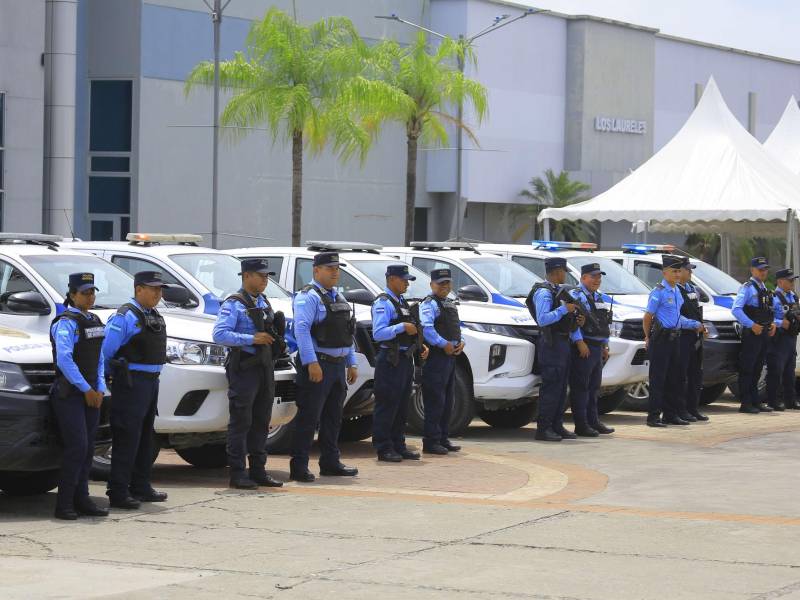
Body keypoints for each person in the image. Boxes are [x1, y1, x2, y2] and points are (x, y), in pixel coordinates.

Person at [213, 258, 284, 489]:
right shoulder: (234, 303)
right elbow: (220, 334)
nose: (265, 279)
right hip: (244, 368)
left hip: (265, 367)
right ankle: (237, 473)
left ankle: (258, 470)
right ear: (246, 276)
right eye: (260, 275)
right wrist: (251, 338)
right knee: (241, 422)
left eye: (267, 276)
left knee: (262, 421)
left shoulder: (264, 302)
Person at [101, 271, 170, 509]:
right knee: (127, 438)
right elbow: (107, 351)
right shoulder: (125, 316)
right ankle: (118, 491)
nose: (158, 294)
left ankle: (141, 486)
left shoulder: (152, 314)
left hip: (150, 383)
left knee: (145, 438)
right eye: (153, 289)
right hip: (131, 383)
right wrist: (113, 376)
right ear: (138, 289)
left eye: (160, 289)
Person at [289, 252, 359, 482]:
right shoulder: (308, 297)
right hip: (319, 364)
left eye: (337, 268)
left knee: (333, 418)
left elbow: (346, 332)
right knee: (309, 418)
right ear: (316, 270)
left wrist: (351, 362)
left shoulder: (337, 296)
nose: (335, 272)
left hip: (337, 366)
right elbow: (301, 330)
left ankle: (330, 461)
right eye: (330, 268)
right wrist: (311, 362)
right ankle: (299, 466)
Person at [49, 273, 108, 520]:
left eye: (92, 292)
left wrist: (100, 387)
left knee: (88, 449)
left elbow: (99, 357)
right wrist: (86, 389)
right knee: (77, 447)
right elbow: (65, 360)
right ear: (72, 295)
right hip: (71, 393)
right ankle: (64, 504)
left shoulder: (94, 320)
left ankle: (82, 499)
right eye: (85, 293)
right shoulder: (66, 322)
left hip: (92, 393)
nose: (90, 297)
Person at [371, 264, 428, 462]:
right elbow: (378, 333)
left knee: (402, 406)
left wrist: (420, 346)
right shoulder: (383, 303)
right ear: (391, 279)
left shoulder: (401, 302)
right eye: (403, 280)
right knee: (387, 405)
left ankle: (398, 445)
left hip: (404, 359)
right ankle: (384, 447)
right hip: (390, 360)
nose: (406, 284)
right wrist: (402, 327)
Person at [643, 255, 704, 427]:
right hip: (661, 339)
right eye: (673, 271)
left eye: (678, 271)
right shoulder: (658, 292)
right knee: (658, 380)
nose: (677, 274)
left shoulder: (677, 290)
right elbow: (647, 317)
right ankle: (653, 417)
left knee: (673, 378)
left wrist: (694, 324)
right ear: (664, 272)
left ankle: (670, 415)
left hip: (675, 338)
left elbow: (677, 318)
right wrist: (648, 337)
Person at [526, 256, 581, 442]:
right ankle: (544, 428)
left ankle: (556, 425)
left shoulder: (556, 290)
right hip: (551, 344)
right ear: (557, 272)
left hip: (562, 343)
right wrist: (564, 310)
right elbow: (543, 319)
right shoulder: (544, 292)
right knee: (551, 387)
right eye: (564, 272)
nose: (565, 275)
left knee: (561, 387)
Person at [419, 268, 465, 455]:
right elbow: (427, 328)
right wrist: (443, 344)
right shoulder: (429, 304)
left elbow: (457, 327)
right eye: (440, 283)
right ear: (432, 284)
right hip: (437, 357)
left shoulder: (449, 303)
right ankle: (431, 441)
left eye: (447, 283)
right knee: (435, 400)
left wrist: (461, 342)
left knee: (448, 400)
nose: (445, 286)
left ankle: (443, 438)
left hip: (450, 356)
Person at [568, 263, 615, 437]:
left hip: (597, 346)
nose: (597, 280)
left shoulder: (598, 297)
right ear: (583, 278)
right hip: (584, 347)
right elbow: (573, 321)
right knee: (581, 388)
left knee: (594, 387)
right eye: (593, 276)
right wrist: (579, 341)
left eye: (599, 277)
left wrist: (605, 344)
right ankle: (581, 425)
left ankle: (593, 421)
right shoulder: (576, 295)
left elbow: (602, 322)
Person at [732, 257, 777, 414]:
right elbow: (736, 309)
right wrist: (751, 325)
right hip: (752, 333)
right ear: (752, 270)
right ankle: (745, 402)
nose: (763, 272)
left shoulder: (763, 287)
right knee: (748, 368)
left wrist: (771, 323)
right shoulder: (747, 287)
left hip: (763, 332)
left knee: (758, 368)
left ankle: (755, 400)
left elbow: (766, 309)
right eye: (760, 269)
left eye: (765, 269)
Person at [677, 258, 709, 422]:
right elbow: (675, 316)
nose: (690, 272)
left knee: (696, 374)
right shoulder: (675, 290)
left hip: (695, 337)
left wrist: (702, 326)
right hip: (682, 336)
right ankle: (681, 410)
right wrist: (694, 324)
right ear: (679, 271)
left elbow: (696, 311)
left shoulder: (692, 288)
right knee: (681, 376)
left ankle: (693, 408)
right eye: (688, 269)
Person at [766, 267, 800, 410]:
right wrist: (780, 323)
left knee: (790, 371)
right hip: (779, 338)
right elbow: (767, 317)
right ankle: (773, 401)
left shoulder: (794, 296)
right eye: (789, 280)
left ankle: (790, 401)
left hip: (791, 337)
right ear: (780, 282)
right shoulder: (773, 297)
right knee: (776, 371)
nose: (792, 283)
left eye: (793, 280)